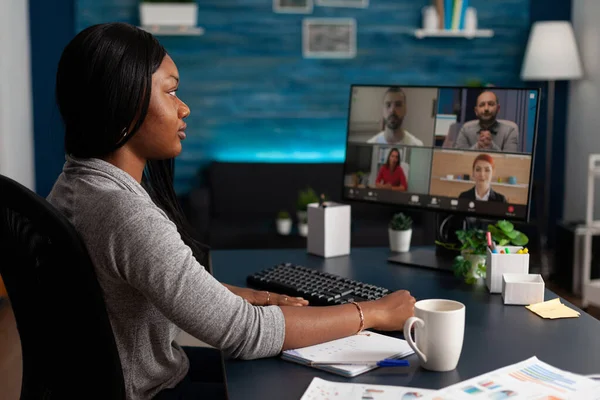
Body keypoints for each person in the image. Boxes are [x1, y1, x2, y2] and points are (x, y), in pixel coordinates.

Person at [47, 23, 416, 400]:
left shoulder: (76, 184)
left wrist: (250, 296)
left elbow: (143, 277)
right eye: (171, 91)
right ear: (122, 101)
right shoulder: (126, 214)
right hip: (151, 391)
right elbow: (246, 334)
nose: (184, 107)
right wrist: (373, 313)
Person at [453, 90, 519, 152]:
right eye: (482, 105)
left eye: (491, 104)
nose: (486, 108)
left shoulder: (510, 131)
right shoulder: (465, 129)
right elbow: (460, 158)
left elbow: (510, 161)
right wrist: (478, 146)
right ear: (476, 111)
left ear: (498, 109)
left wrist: (491, 146)